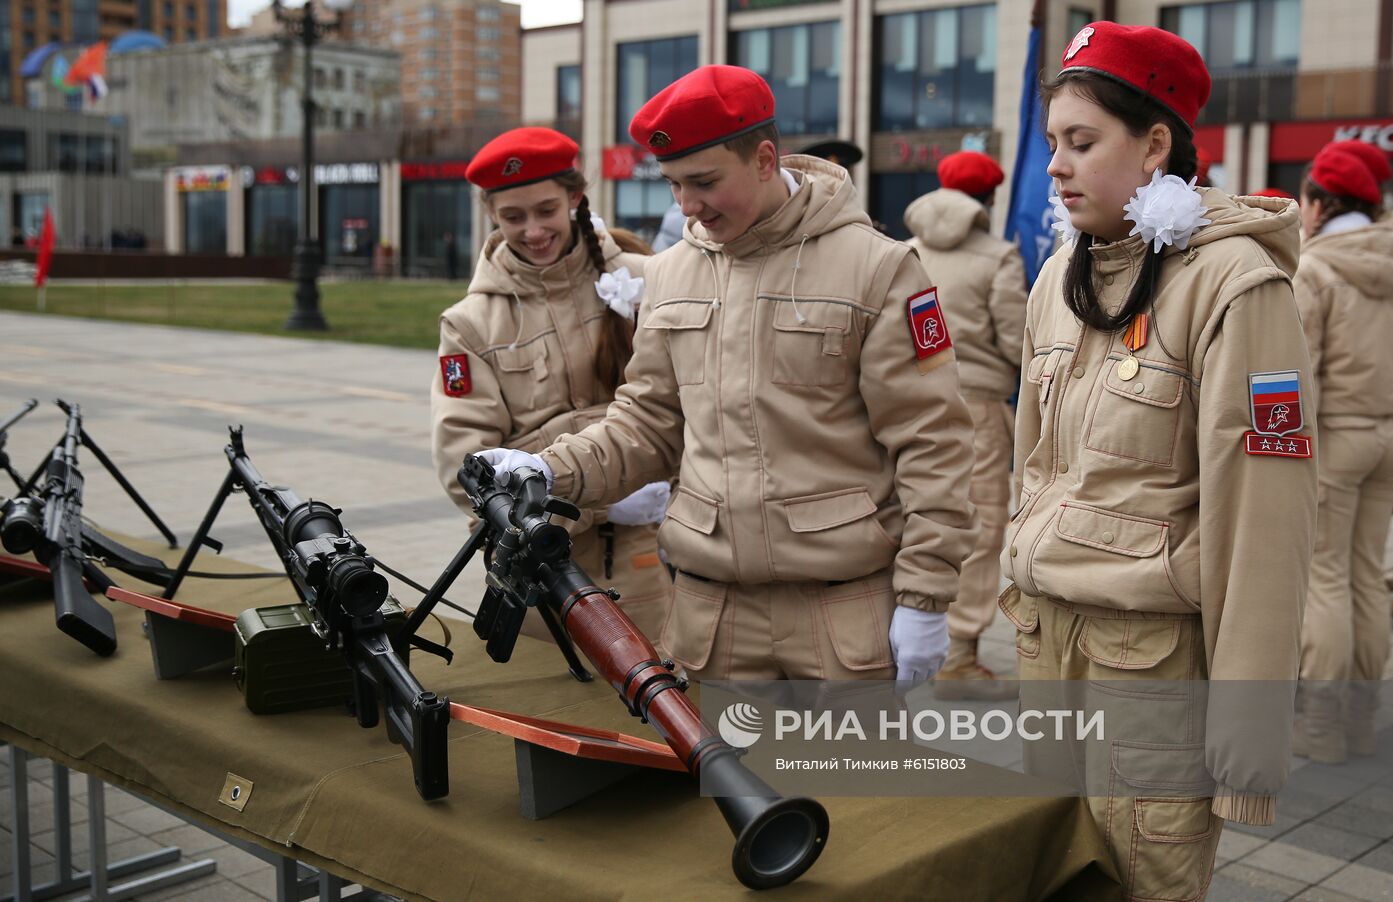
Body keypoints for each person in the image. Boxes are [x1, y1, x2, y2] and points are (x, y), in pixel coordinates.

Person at [481, 66, 976, 683]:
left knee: (849, 781)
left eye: (705, 181)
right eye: (672, 185)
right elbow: (648, 424)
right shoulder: (670, 273)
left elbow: (933, 444)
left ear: (765, 158)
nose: (687, 205)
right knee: (712, 782)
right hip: (707, 620)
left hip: (843, 613)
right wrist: (552, 468)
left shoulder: (878, 269)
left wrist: (926, 596)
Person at [1003, 22, 1316, 900]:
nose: (1058, 166)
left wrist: (1246, 748)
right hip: (1047, 652)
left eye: (1082, 142)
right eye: (1053, 142)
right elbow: (1036, 466)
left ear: (1154, 147)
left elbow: (1266, 521)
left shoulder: (1237, 287)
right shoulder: (1060, 276)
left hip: (1148, 684)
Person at [429, 126, 672, 643]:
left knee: (663, 711)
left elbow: (697, 406)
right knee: (548, 718)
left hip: (647, 563)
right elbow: (468, 473)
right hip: (539, 580)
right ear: (491, 214)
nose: (533, 230)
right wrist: (607, 498)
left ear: (575, 198)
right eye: (513, 217)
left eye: (546, 210)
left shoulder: (646, 279)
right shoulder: (470, 324)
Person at [1290, 142, 1393, 762]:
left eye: (1306, 204)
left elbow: (1300, 373)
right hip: (1389, 436)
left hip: (1336, 438)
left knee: (1323, 579)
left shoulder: (1317, 268)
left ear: (1322, 204)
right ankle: (1360, 722)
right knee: (1364, 576)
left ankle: (1322, 726)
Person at [903, 150, 1026, 699]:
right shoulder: (999, 258)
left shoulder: (905, 251)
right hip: (975, 405)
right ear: (989, 199)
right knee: (976, 524)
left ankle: (908, 641)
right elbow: (1018, 339)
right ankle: (959, 658)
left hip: (906, 402)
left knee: (916, 515)